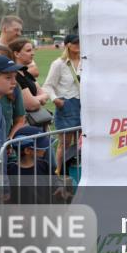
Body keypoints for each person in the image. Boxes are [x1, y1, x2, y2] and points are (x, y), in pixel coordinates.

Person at [42, 34, 81, 173]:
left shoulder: (86, 61)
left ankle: (76, 170)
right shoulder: (59, 63)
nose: (78, 45)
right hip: (67, 104)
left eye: (80, 42)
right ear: (67, 45)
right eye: (75, 42)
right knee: (64, 143)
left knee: (81, 142)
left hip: (83, 105)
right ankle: (60, 171)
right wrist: (55, 100)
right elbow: (48, 85)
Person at [8, 37, 50, 112]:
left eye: (32, 50)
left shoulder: (26, 73)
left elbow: (44, 99)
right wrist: (38, 98)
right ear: (16, 54)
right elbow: (31, 105)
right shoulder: (14, 75)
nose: (33, 53)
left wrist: (35, 99)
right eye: (28, 51)